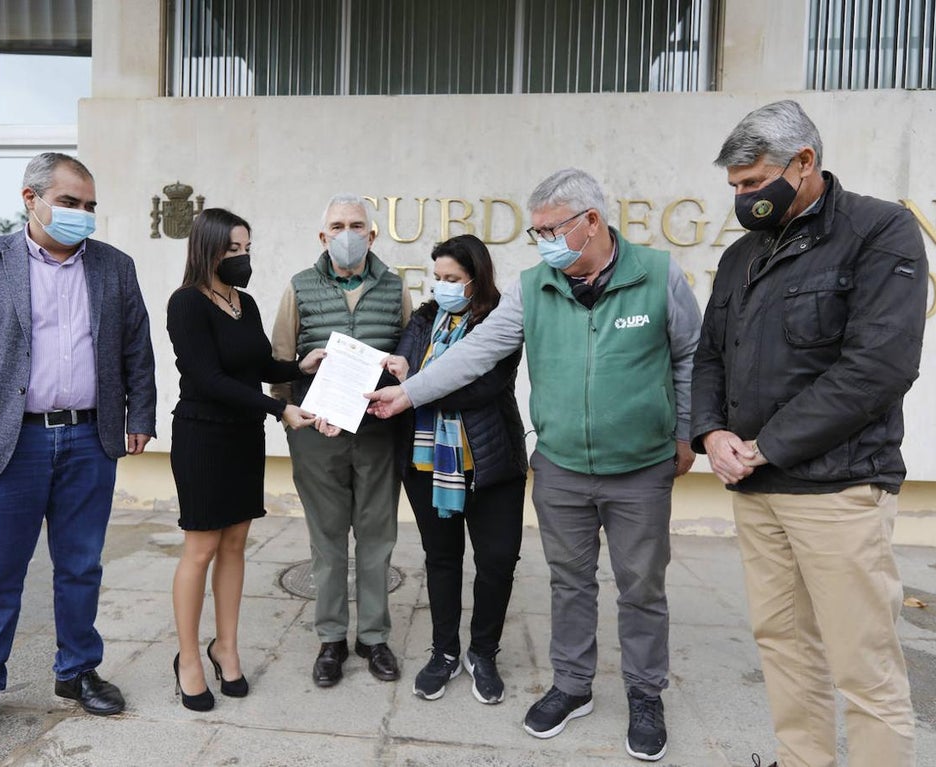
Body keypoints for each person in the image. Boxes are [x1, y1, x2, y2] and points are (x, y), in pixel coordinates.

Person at [367, 168, 701, 761]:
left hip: (641, 468)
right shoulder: (532, 287)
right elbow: (476, 351)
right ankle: (572, 686)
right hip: (562, 466)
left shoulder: (657, 274)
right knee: (569, 583)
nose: (541, 240)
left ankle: (645, 693)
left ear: (591, 222)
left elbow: (690, 355)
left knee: (641, 587)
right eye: (536, 229)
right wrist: (409, 392)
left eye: (551, 228)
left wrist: (685, 434)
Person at [691, 100, 926, 767]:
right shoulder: (741, 257)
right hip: (757, 492)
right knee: (784, 647)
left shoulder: (879, 232)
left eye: (752, 182)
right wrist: (711, 433)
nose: (743, 198)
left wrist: (765, 445)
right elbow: (710, 355)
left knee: (864, 664)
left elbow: (879, 365)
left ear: (803, 163)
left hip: (839, 488)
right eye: (734, 187)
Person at [0, 152, 157, 761]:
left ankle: (76, 670)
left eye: (90, 206)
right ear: (31, 200)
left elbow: (138, 348)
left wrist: (141, 416)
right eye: (69, 202)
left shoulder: (114, 267)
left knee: (81, 567)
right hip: (11, 441)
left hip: (88, 438)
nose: (82, 215)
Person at [166, 208, 326, 710]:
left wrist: (299, 365)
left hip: (243, 435)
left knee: (235, 543)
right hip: (203, 435)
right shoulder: (186, 304)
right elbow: (209, 379)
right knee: (201, 547)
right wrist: (280, 407)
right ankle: (188, 657)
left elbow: (256, 366)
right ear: (207, 248)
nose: (242, 257)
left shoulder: (246, 303)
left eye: (247, 248)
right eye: (233, 249)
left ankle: (226, 647)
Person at [270, 193, 411, 688]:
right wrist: (292, 421)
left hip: (377, 435)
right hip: (317, 436)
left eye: (356, 225)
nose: (346, 233)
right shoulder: (300, 287)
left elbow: (407, 353)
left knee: (377, 539)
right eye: (337, 225)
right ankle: (330, 639)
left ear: (372, 235)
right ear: (322, 235)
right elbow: (282, 358)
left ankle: (373, 638)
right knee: (326, 540)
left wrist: (403, 375)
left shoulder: (395, 288)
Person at [383, 234, 527, 705]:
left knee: (497, 561)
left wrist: (416, 385)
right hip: (426, 462)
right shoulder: (425, 317)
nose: (441, 286)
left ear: (476, 279)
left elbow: (478, 388)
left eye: (453, 279)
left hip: (489, 462)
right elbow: (403, 368)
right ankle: (444, 651)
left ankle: (482, 652)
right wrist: (399, 368)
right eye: (437, 277)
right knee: (442, 560)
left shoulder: (502, 320)